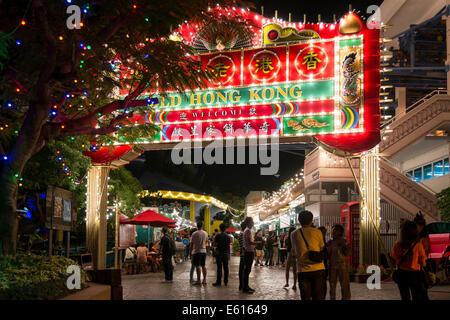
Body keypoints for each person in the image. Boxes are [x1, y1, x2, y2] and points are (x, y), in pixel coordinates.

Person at [291, 210, 326, 300]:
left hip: (302, 270)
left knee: (305, 297)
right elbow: (322, 247)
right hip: (318, 269)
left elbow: (294, 250)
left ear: (299, 220)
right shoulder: (317, 232)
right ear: (311, 220)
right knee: (318, 297)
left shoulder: (294, 234)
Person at [390, 220, 427, 301]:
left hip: (402, 274)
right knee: (416, 296)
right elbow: (423, 263)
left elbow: (393, 256)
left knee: (405, 297)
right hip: (415, 275)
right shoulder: (418, 245)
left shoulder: (397, 245)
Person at [327, 224, 351, 300]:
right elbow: (327, 255)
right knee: (332, 284)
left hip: (342, 266)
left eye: (336, 230)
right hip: (332, 266)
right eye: (333, 230)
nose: (333, 231)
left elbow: (348, 253)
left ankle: (346, 298)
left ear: (340, 232)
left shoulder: (344, 241)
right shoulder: (329, 242)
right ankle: (332, 297)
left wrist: (343, 245)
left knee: (344, 284)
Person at [242, 217, 262, 294]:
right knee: (247, 270)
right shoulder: (247, 231)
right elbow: (250, 242)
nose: (253, 223)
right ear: (249, 223)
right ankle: (245, 288)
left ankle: (246, 286)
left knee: (247, 270)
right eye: (252, 222)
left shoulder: (247, 230)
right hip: (248, 252)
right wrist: (259, 242)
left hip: (248, 251)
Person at [414, 212, 431, 300]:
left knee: (421, 292)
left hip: (421, 267)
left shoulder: (423, 239)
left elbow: (424, 254)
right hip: (417, 267)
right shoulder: (419, 238)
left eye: (417, 226)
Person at [318, 226, 328, 299]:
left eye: (324, 232)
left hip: (324, 264)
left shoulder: (323, 239)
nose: (324, 234)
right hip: (318, 264)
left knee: (323, 283)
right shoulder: (319, 240)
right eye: (323, 232)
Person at [238, 222, 246, 291]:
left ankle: (241, 285)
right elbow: (244, 246)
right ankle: (242, 285)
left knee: (241, 269)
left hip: (242, 253)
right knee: (242, 270)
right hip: (243, 254)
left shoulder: (241, 234)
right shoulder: (243, 234)